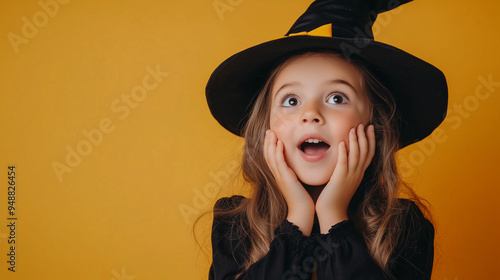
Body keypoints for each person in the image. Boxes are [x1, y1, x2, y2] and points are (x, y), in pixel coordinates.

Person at [204, 0, 448, 279]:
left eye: (337, 98)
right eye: (291, 100)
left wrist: (334, 216)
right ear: (265, 128)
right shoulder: (234, 226)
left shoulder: (404, 227)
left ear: (374, 124)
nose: (311, 114)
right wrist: (297, 220)